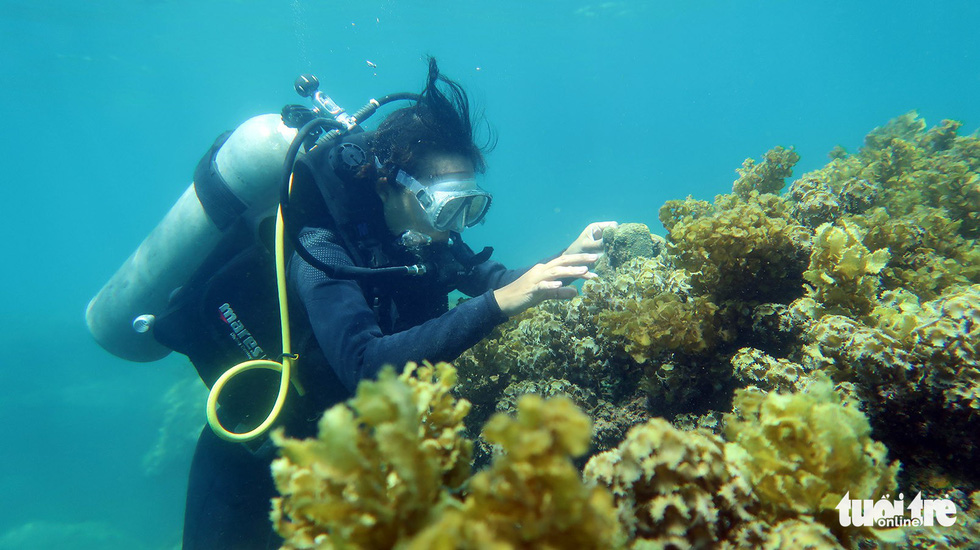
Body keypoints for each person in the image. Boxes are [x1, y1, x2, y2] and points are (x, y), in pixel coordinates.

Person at [181, 57, 617, 549]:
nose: (456, 225)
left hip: (355, 454)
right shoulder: (319, 246)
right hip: (255, 454)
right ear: (391, 185)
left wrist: (569, 258)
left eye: (469, 206)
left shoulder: (422, 232)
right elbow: (364, 364)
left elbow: (496, 280)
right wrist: (498, 304)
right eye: (447, 206)